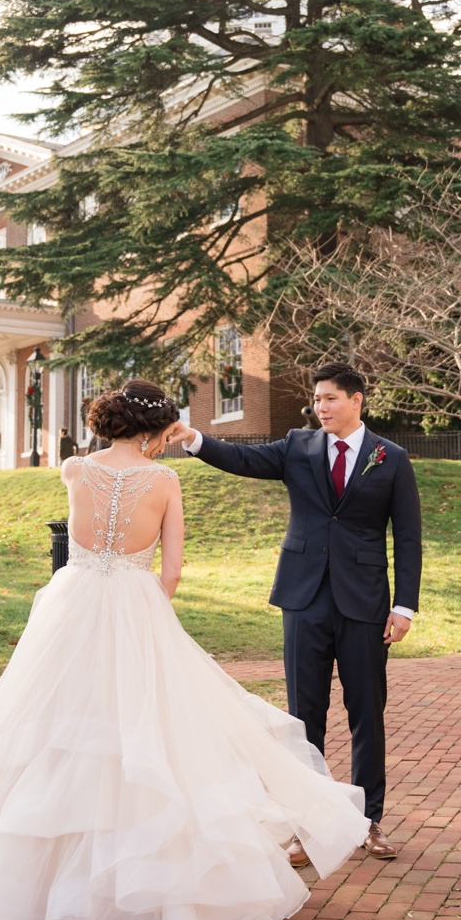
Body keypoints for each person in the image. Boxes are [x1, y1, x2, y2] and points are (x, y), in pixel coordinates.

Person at [0, 380, 372, 920]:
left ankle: (43, 887)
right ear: (156, 430)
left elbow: (74, 550)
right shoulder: (164, 480)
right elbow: (171, 570)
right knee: (149, 735)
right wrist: (149, 620)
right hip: (136, 606)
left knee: (56, 731)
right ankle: (139, 890)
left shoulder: (74, 469)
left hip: (72, 607)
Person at [165, 362, 421, 863]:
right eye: (317, 400)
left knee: (366, 712)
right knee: (305, 716)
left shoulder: (391, 458)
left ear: (356, 400)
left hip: (365, 602)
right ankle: (308, 825)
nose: (320, 408)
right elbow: (242, 457)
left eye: (329, 399)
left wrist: (404, 605)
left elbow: (407, 538)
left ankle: (370, 821)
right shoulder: (298, 447)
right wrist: (196, 438)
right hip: (303, 598)